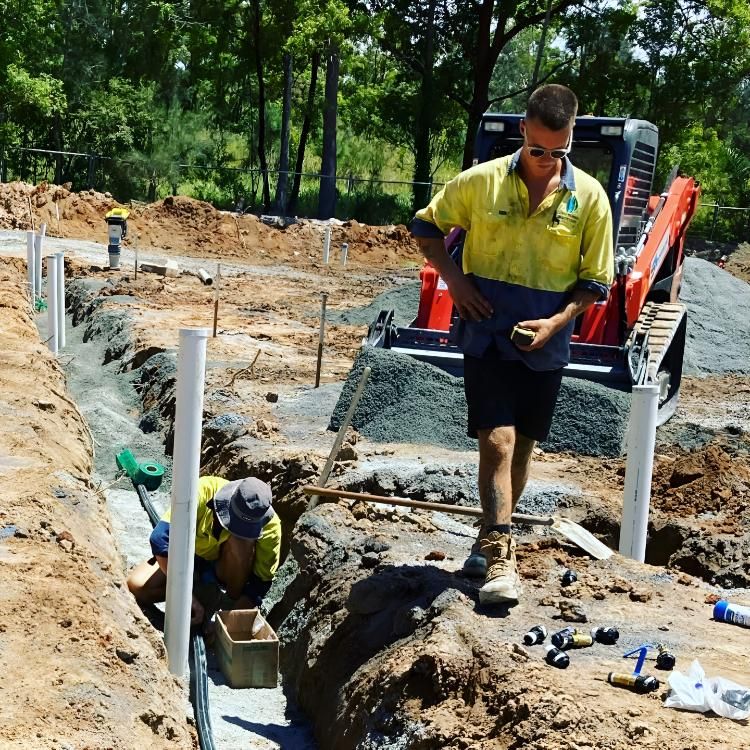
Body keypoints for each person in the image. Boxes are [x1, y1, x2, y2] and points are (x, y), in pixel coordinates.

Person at [410, 84, 614, 604]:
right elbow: (425, 227)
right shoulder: (480, 184)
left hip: (545, 344)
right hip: (487, 334)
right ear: (523, 131)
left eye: (558, 152)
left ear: (571, 138)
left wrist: (557, 321)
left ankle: (486, 533)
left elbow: (595, 283)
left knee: (521, 445)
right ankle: (502, 556)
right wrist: (455, 282)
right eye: (537, 149)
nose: (546, 161)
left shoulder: (589, 198)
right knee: (495, 439)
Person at [127, 476, 282, 624]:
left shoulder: (271, 527)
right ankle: (199, 588)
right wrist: (187, 597)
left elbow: (259, 584)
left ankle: (223, 600)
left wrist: (226, 623)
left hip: (226, 572)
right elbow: (160, 538)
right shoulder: (204, 489)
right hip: (189, 557)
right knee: (137, 587)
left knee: (242, 543)